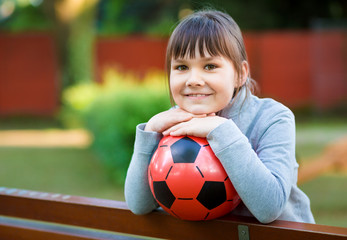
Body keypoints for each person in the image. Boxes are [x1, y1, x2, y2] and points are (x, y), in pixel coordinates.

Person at [124, 9, 315, 224]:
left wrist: (222, 131)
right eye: (181, 67)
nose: (193, 79)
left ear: (240, 74)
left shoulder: (273, 118)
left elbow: (269, 208)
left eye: (210, 66)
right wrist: (149, 134)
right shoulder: (172, 124)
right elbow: (138, 205)